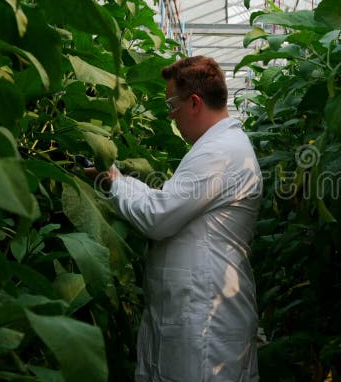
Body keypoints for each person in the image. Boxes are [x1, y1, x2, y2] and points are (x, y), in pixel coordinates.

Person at [99, 56, 262, 381]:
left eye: (172, 105)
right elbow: (169, 202)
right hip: (199, 313)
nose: (171, 115)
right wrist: (119, 181)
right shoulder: (221, 147)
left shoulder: (219, 152)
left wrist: (113, 184)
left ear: (195, 102)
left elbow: (159, 216)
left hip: (205, 319)